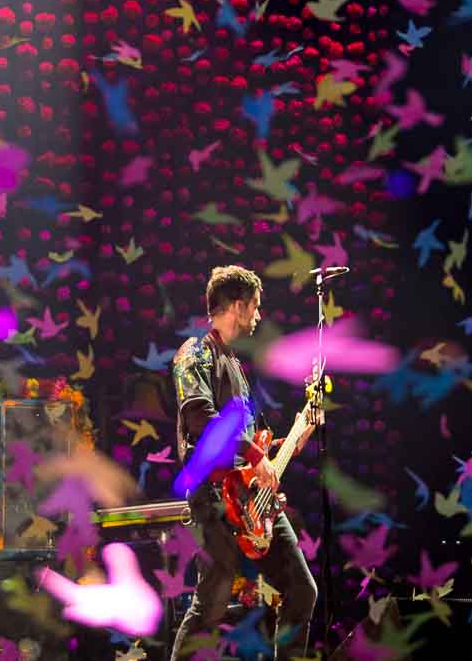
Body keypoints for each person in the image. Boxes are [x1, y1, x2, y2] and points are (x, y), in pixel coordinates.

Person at [169, 265, 318, 660]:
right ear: (237, 305)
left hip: (251, 500)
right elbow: (199, 416)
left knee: (302, 590)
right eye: (255, 307)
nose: (258, 316)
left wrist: (293, 440)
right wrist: (255, 453)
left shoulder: (235, 365)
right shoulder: (195, 353)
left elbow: (254, 445)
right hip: (214, 498)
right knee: (211, 605)